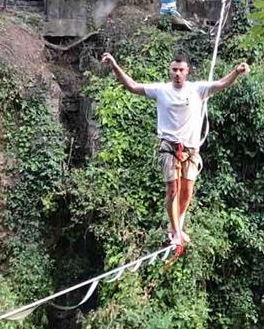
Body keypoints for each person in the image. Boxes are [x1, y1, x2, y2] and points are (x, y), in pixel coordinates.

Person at [101, 50, 250, 246]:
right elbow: (132, 86)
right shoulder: (161, 90)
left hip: (191, 149)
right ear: (169, 71)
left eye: (181, 70)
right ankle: (176, 231)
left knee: (187, 192)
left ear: (187, 71)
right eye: (174, 70)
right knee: (173, 189)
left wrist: (237, 71)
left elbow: (221, 83)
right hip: (169, 146)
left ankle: (176, 227)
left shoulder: (198, 89)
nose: (177, 73)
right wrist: (114, 66)